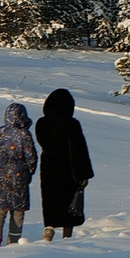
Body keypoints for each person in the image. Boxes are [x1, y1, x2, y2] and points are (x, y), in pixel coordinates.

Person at [36, 88, 95, 241]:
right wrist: (83, 174)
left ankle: (49, 229)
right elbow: (78, 149)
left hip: (48, 165)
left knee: (50, 200)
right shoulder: (71, 124)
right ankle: (66, 236)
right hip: (67, 168)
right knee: (69, 204)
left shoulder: (41, 123)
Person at [0, 103, 37, 247]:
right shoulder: (24, 134)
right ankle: (13, 241)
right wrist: (30, 171)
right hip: (19, 174)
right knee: (18, 210)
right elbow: (31, 156)